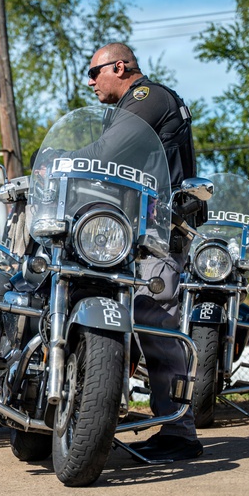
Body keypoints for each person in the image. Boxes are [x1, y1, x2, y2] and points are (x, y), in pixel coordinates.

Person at [86, 42, 202, 461]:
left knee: (155, 322)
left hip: (160, 234)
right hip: (134, 234)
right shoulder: (128, 108)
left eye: (94, 72)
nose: (90, 82)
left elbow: (104, 154)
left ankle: (179, 432)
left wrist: (58, 161)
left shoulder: (147, 97)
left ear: (120, 67)